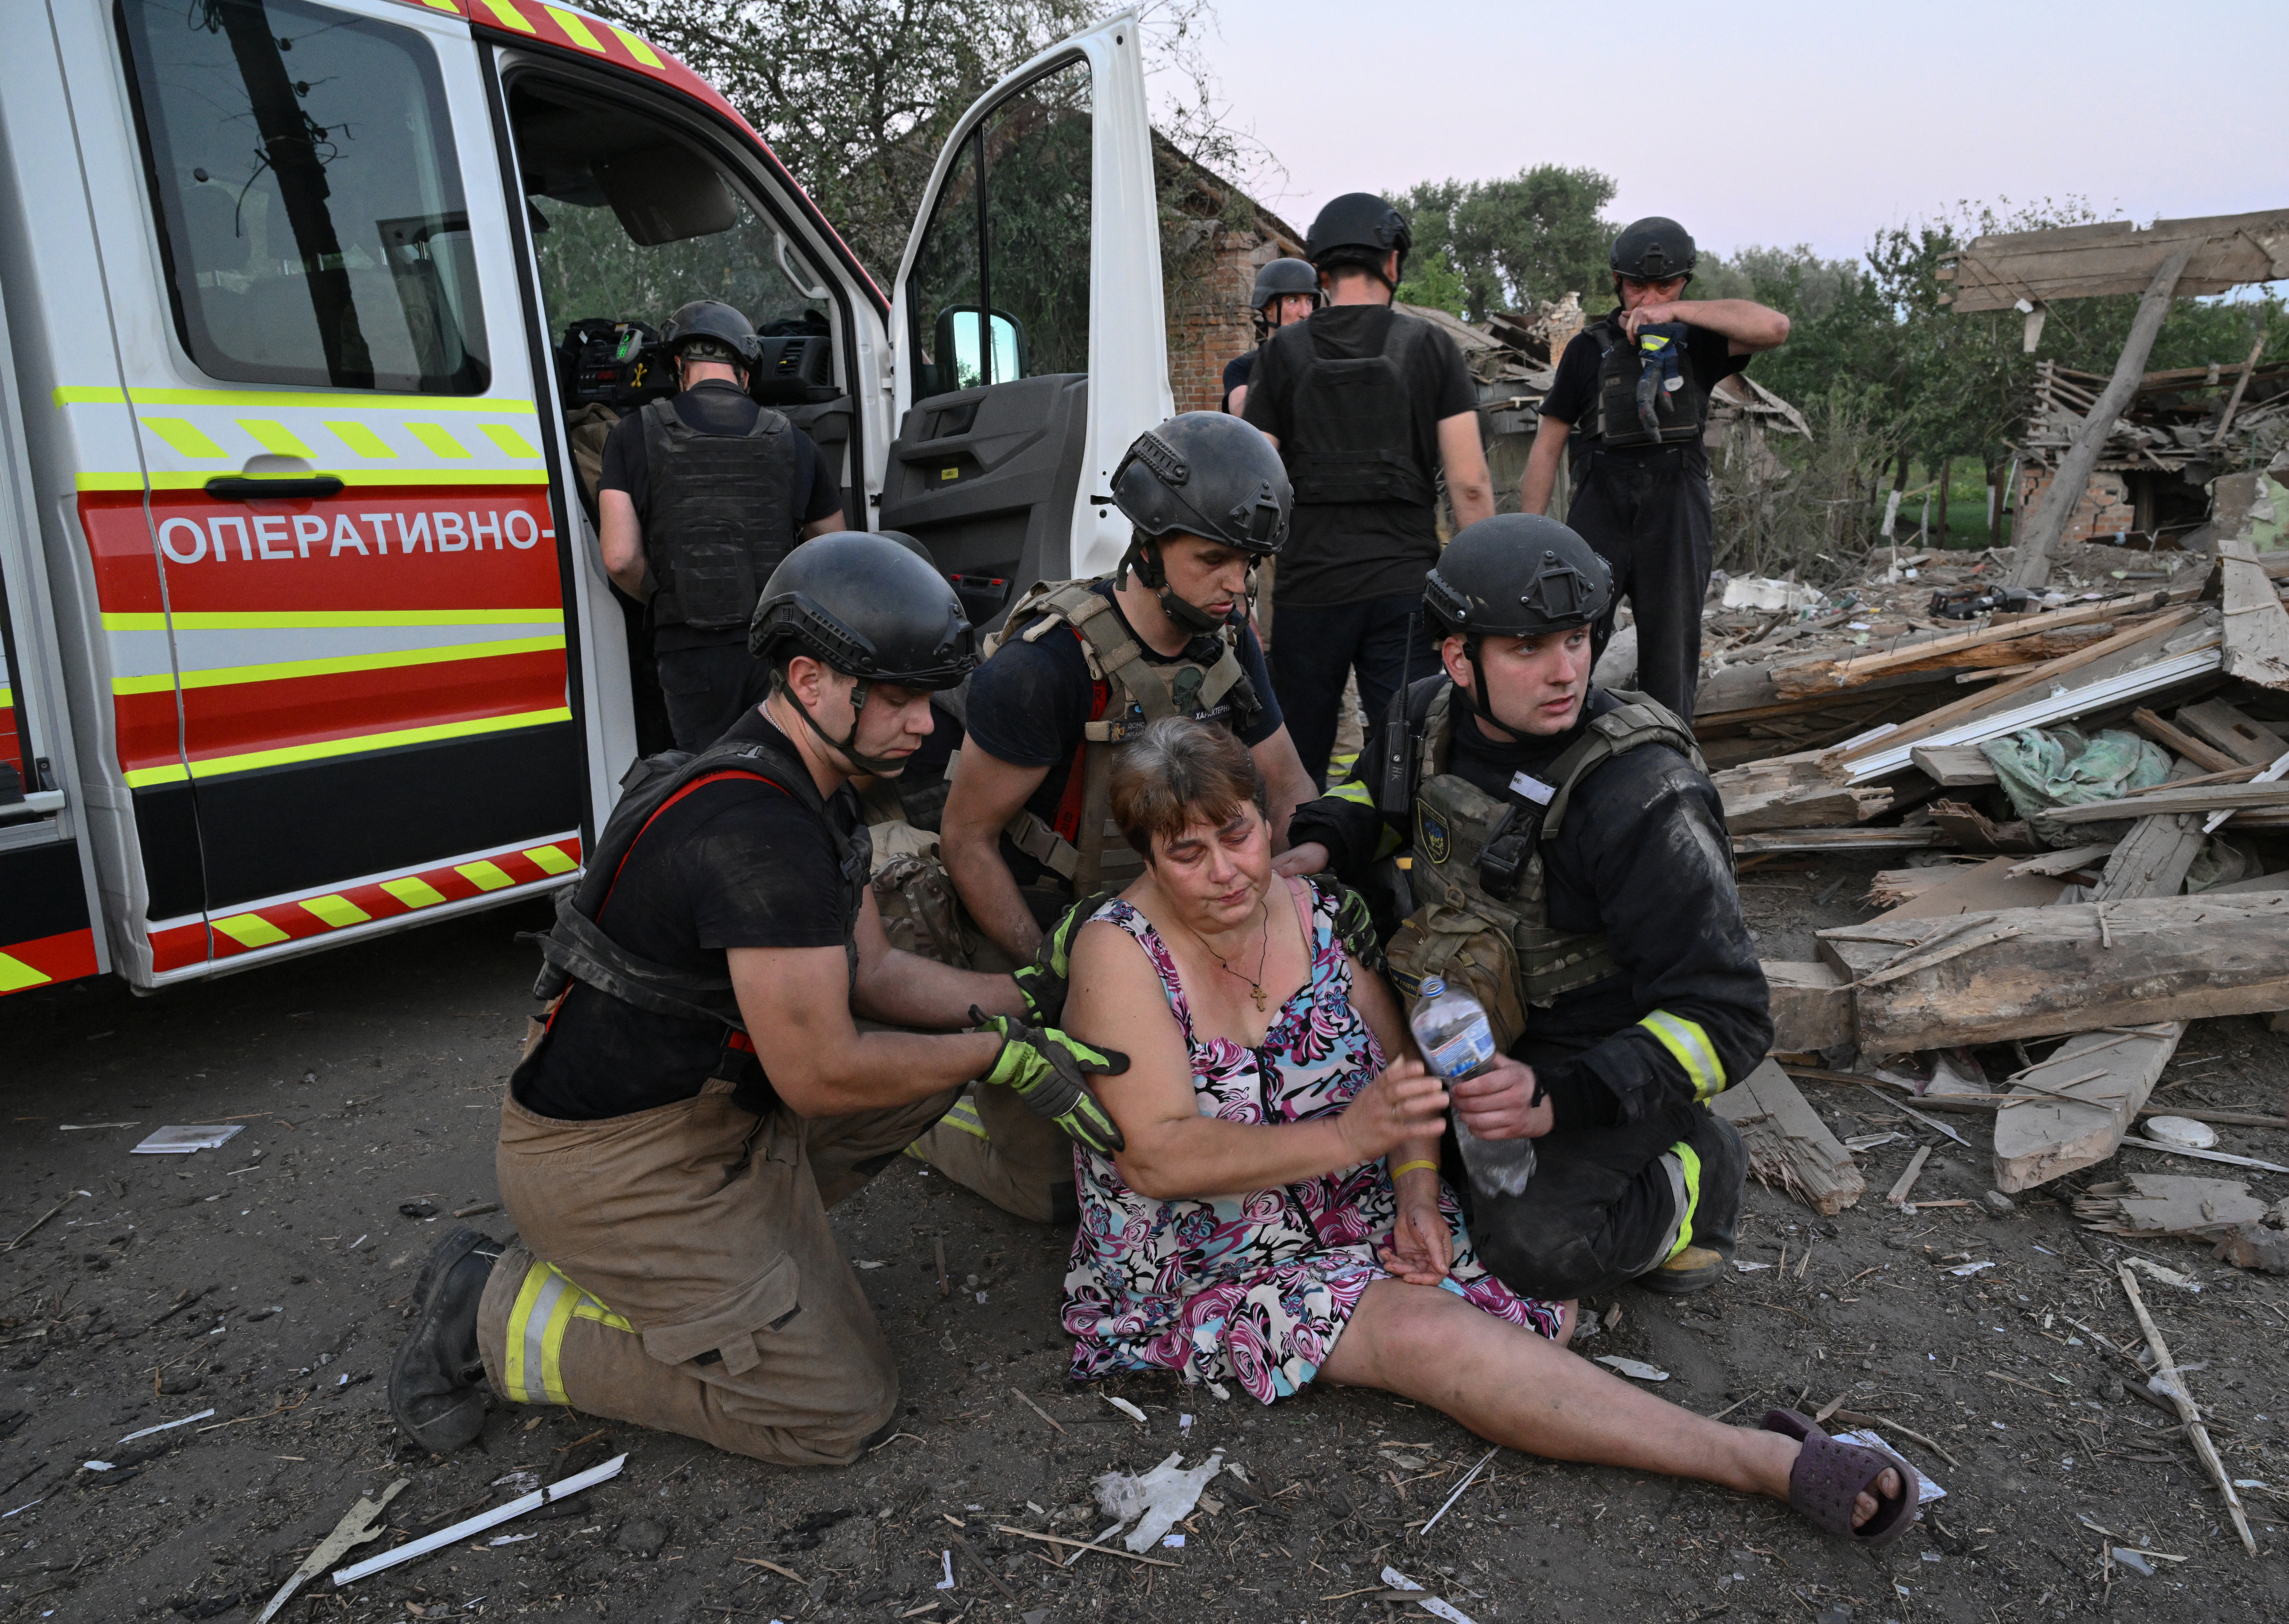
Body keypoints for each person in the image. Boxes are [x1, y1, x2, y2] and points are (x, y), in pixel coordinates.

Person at [1058, 715, 1918, 1548]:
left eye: (1237, 835)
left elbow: (1397, 1067)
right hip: (1206, 1251)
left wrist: (1416, 1193)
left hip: (1345, 1201)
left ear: (1261, 818)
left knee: (1546, 1310)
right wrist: (1348, 1140)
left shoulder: (1306, 904)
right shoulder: (1118, 951)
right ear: (1146, 857)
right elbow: (1157, 1154)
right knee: (1425, 1337)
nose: (1225, 872)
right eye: (1186, 854)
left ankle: (1683, 1186)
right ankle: (1755, 1457)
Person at [387, 533, 1129, 1466]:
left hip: (718, 1117)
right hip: (620, 1167)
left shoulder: (810, 781)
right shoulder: (755, 831)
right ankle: (485, 1307)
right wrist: (997, 1050)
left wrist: (1029, 993)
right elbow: (821, 1072)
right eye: (896, 697)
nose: (924, 725)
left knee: (943, 1042)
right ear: (811, 678)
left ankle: (730, 1268)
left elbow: (876, 977)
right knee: (834, 1409)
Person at [1274, 513, 1770, 1302]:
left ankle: (1699, 1175)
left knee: (1534, 1247)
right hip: (1459, 1018)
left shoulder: (1641, 793)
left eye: (1577, 639)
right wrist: (1323, 844)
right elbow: (1374, 792)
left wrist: (1559, 1099)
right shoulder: (1421, 715)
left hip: (1596, 1060)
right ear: (1458, 660)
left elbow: (1731, 1015)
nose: (1564, 671)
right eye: (1527, 647)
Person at [940, 412, 1318, 967]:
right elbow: (967, 841)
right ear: (1148, 548)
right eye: (1213, 560)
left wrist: (1302, 905)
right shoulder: (1044, 666)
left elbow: (1288, 790)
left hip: (1193, 913)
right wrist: (1049, 973)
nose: (1237, 586)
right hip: (1065, 924)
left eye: (1249, 562)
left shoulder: (1227, 643)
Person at [1242, 192, 1496, 786]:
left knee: (1297, 759)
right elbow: (1469, 485)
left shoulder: (1280, 355)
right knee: (1405, 751)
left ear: (1321, 272)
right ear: (1392, 261)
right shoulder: (1431, 349)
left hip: (1309, 589)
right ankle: (1400, 872)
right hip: (1404, 591)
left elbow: (1252, 479)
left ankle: (1298, 869)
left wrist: (1239, 585)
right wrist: (1490, 596)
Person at [1518, 217, 1790, 721]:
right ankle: (1559, 765)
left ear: (1685, 283)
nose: (1648, 297)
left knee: (1672, 655)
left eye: (1665, 285)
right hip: (1600, 508)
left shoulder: (1698, 343)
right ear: (1617, 283)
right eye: (1638, 285)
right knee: (1570, 642)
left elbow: (1774, 327)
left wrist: (1676, 313)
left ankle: (1668, 769)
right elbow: (1546, 448)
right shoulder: (1587, 349)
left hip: (1676, 512)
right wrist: (1527, 539)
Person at [598, 299, 847, 751]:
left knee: (713, 782)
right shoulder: (793, 439)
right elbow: (834, 553)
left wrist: (664, 598)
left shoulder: (632, 434)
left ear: (679, 366)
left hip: (689, 654)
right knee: (783, 772)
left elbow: (619, 558)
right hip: (775, 649)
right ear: (745, 374)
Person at [1222, 257, 1320, 416]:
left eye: (1309, 301)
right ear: (1268, 307)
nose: (1305, 313)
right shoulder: (1243, 367)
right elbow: (1242, 415)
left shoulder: (1323, 361)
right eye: (1294, 300)